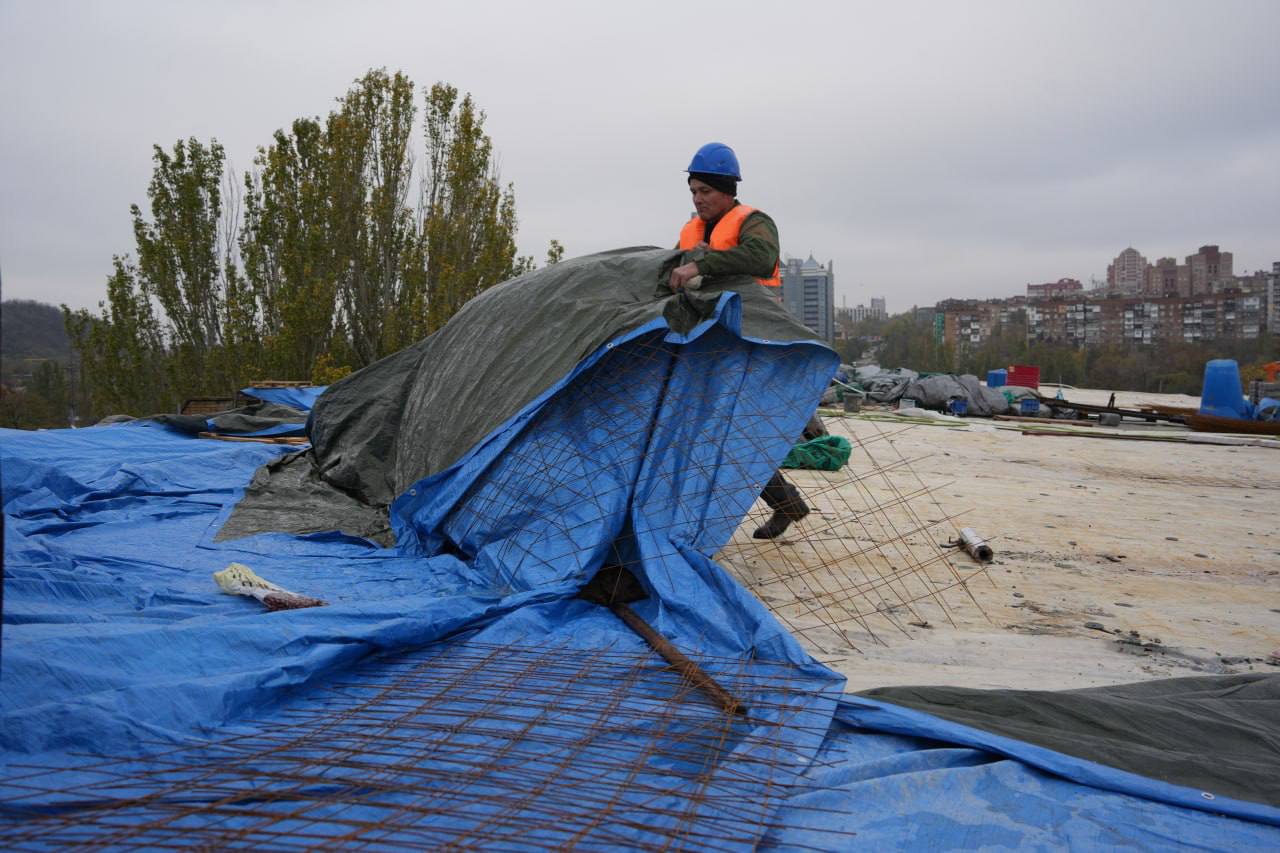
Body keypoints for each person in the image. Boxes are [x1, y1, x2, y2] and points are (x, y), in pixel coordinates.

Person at [671, 142, 808, 540]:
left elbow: (762, 258)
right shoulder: (690, 230)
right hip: (707, 342)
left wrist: (703, 264)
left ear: (727, 190)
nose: (698, 199)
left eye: (705, 191)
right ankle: (786, 503)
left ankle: (783, 504)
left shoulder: (753, 222)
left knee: (732, 432)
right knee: (721, 433)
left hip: (753, 343)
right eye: (693, 191)